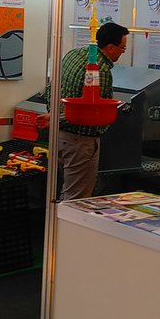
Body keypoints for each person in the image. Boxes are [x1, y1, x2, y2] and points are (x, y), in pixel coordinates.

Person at [47, 21, 129, 200]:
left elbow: (51, 88)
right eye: (122, 49)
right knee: (76, 198)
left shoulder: (73, 54)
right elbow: (96, 112)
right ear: (110, 47)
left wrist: (53, 116)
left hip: (57, 136)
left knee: (61, 192)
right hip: (80, 141)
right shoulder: (101, 70)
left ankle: (55, 219)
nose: (122, 53)